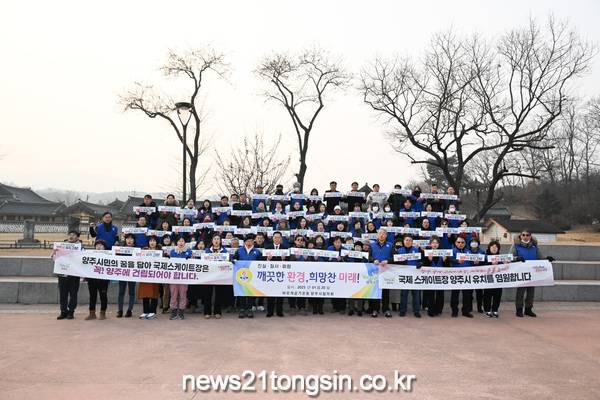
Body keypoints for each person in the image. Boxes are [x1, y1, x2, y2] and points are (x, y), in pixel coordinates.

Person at [510, 229, 554, 318]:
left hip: (532, 272)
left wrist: (547, 259)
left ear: (530, 236)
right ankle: (519, 309)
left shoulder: (534, 246)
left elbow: (540, 257)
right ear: (520, 236)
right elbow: (510, 257)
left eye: (527, 235)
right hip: (521, 272)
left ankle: (528, 309)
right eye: (523, 235)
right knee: (520, 292)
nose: (525, 237)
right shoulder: (516, 245)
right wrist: (517, 258)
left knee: (531, 292)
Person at [54, 230, 82, 320]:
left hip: (74, 275)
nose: (71, 236)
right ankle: (63, 311)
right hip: (63, 274)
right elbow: (54, 259)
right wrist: (54, 252)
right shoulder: (61, 246)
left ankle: (71, 311)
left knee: (73, 294)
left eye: (74, 235)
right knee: (63, 294)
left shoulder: (80, 248)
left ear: (77, 237)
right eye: (70, 234)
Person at [233, 234, 263, 318]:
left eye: (251, 241)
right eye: (247, 241)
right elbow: (234, 258)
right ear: (244, 242)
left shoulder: (257, 251)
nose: (249, 242)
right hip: (241, 275)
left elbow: (261, 262)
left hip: (253, 275)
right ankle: (242, 309)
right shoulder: (239, 250)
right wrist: (233, 260)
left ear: (253, 242)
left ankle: (249, 309)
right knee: (242, 292)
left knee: (251, 292)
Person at [202, 234, 230, 319]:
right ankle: (207, 312)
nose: (216, 240)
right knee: (207, 294)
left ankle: (217, 312)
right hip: (208, 275)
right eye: (215, 239)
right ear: (212, 240)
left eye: (218, 239)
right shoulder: (207, 251)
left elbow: (227, 262)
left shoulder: (224, 251)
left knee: (219, 294)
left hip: (220, 276)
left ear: (220, 241)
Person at [369, 228, 394, 318]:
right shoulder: (372, 245)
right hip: (374, 271)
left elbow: (394, 257)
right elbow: (368, 257)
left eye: (383, 233)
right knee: (375, 291)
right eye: (380, 233)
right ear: (377, 235)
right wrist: (373, 260)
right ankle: (375, 309)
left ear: (386, 235)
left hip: (386, 271)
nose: (381, 235)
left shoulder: (390, 245)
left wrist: (388, 261)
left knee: (385, 292)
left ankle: (386, 309)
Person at [421, 236, 448, 317]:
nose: (435, 244)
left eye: (436, 243)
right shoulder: (427, 253)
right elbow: (424, 265)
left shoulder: (443, 253)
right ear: (430, 244)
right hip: (430, 277)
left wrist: (445, 261)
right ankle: (431, 310)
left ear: (439, 244)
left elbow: (447, 267)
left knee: (440, 294)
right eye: (433, 243)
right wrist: (429, 260)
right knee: (430, 294)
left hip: (440, 277)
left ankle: (438, 310)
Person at [396, 235, 422, 318]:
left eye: (410, 240)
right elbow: (395, 261)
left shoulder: (416, 250)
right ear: (403, 241)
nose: (408, 242)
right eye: (406, 240)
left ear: (412, 242)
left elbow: (421, 260)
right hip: (404, 275)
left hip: (414, 275)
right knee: (404, 294)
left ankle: (416, 311)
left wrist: (420, 263)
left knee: (416, 294)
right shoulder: (399, 250)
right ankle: (402, 310)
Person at [85, 239, 110, 320]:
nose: (99, 247)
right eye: (97, 245)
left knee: (103, 296)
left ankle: (103, 313)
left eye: (101, 245)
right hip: (92, 279)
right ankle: (92, 313)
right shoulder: (90, 255)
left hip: (103, 280)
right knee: (92, 296)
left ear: (105, 247)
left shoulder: (109, 256)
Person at [264, 231, 287, 317]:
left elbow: (289, 261)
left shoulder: (285, 248)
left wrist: (284, 259)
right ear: (272, 238)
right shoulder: (267, 248)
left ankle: (279, 311)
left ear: (281, 239)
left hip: (281, 274)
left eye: (278, 237)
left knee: (280, 293)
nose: (277, 239)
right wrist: (268, 259)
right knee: (270, 293)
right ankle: (270, 311)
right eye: (275, 237)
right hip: (271, 273)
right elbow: (262, 260)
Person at [137, 236, 161, 319]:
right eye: (151, 241)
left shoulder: (160, 252)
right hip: (145, 275)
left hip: (155, 275)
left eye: (154, 241)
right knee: (145, 293)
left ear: (156, 242)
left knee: (154, 293)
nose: (152, 242)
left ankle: (152, 312)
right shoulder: (144, 251)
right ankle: (145, 311)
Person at [169, 236, 192, 320]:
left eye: (182, 241)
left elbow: (188, 260)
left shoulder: (188, 251)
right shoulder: (172, 251)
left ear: (185, 243)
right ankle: (174, 311)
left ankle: (181, 311)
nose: (181, 243)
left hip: (184, 277)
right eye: (179, 241)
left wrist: (183, 253)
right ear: (177, 242)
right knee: (173, 294)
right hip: (174, 277)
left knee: (183, 294)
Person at [450, 237, 473, 318]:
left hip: (466, 276)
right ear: (455, 243)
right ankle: (454, 311)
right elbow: (449, 260)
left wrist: (475, 262)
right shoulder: (452, 251)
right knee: (455, 295)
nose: (460, 244)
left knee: (467, 295)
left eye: (462, 242)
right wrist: (457, 261)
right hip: (456, 276)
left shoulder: (468, 252)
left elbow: (472, 262)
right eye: (459, 242)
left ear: (465, 243)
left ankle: (465, 311)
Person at [115, 234, 137, 318]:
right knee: (121, 292)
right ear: (125, 240)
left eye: (131, 239)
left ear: (134, 240)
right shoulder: (121, 249)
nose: (129, 240)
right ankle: (120, 310)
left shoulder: (137, 250)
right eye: (128, 238)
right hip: (122, 273)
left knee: (131, 292)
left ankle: (129, 310)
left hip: (133, 274)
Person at [483, 240, 504, 318]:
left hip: (498, 278)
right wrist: (490, 263)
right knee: (487, 294)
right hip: (488, 277)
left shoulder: (501, 257)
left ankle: (495, 309)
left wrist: (505, 263)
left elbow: (505, 267)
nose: (494, 248)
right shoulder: (485, 256)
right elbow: (481, 266)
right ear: (489, 247)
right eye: (492, 246)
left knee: (497, 294)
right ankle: (487, 310)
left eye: (496, 247)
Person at [469, 237, 485, 313]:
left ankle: (479, 307)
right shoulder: (467, 251)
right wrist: (472, 262)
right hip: (470, 274)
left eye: (475, 242)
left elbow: (485, 260)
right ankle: (470, 307)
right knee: (469, 292)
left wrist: (479, 262)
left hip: (479, 274)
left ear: (478, 243)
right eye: (472, 242)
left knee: (479, 293)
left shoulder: (482, 251)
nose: (474, 243)